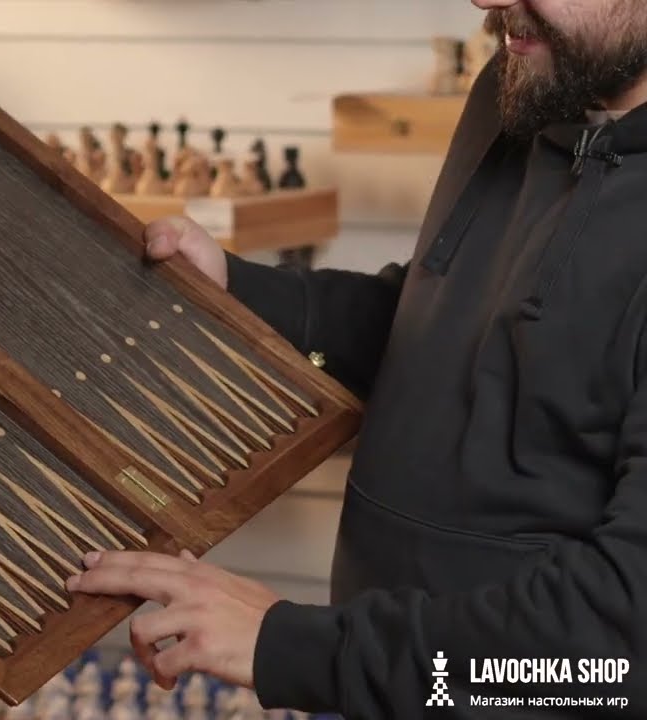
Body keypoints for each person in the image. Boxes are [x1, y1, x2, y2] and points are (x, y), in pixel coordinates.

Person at [65, 0, 647, 717]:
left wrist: (299, 649)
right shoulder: (527, 83)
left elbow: (616, 658)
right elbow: (466, 328)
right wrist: (238, 292)